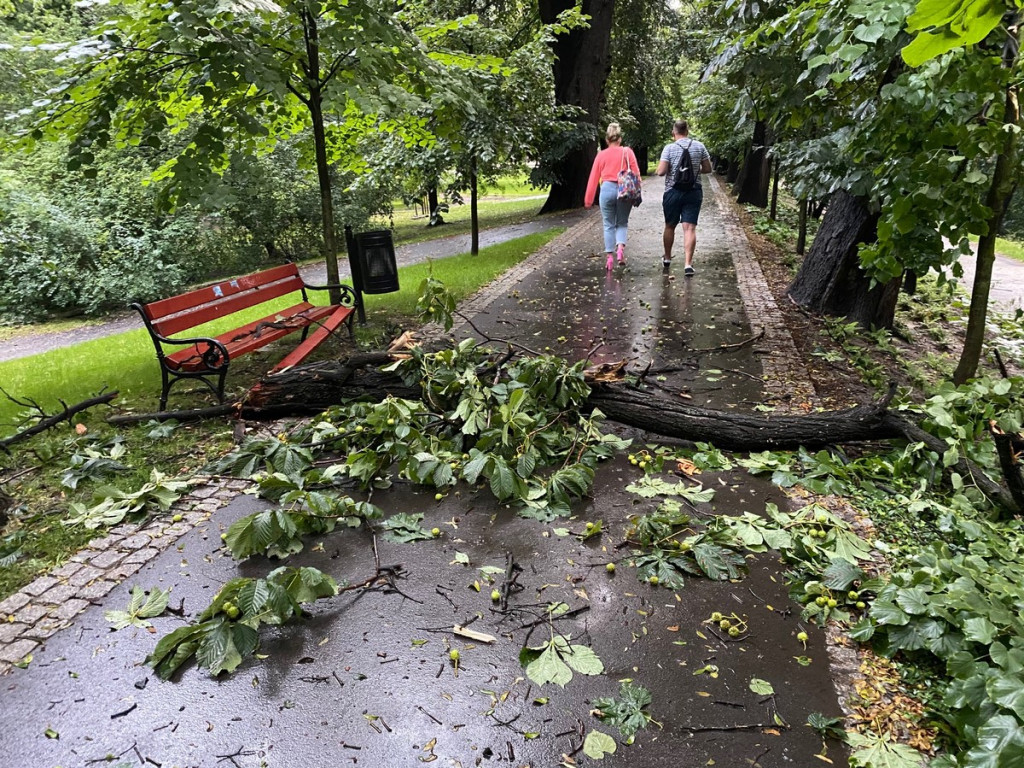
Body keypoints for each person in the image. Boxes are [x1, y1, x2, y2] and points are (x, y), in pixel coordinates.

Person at [656, 119, 712, 275]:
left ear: (674, 132)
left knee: (670, 225)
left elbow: (661, 171)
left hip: (672, 192)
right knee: (689, 228)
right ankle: (688, 264)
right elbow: (708, 168)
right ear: (687, 131)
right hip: (694, 191)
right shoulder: (699, 146)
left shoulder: (669, 148)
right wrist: (693, 171)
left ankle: (667, 258)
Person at [585, 122, 642, 270]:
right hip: (624, 190)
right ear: (620, 139)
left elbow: (593, 178)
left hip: (607, 189)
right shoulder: (627, 152)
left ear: (607, 140)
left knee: (608, 225)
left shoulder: (601, 155)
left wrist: (588, 200)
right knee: (622, 223)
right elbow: (636, 174)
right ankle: (620, 250)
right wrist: (637, 192)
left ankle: (609, 258)